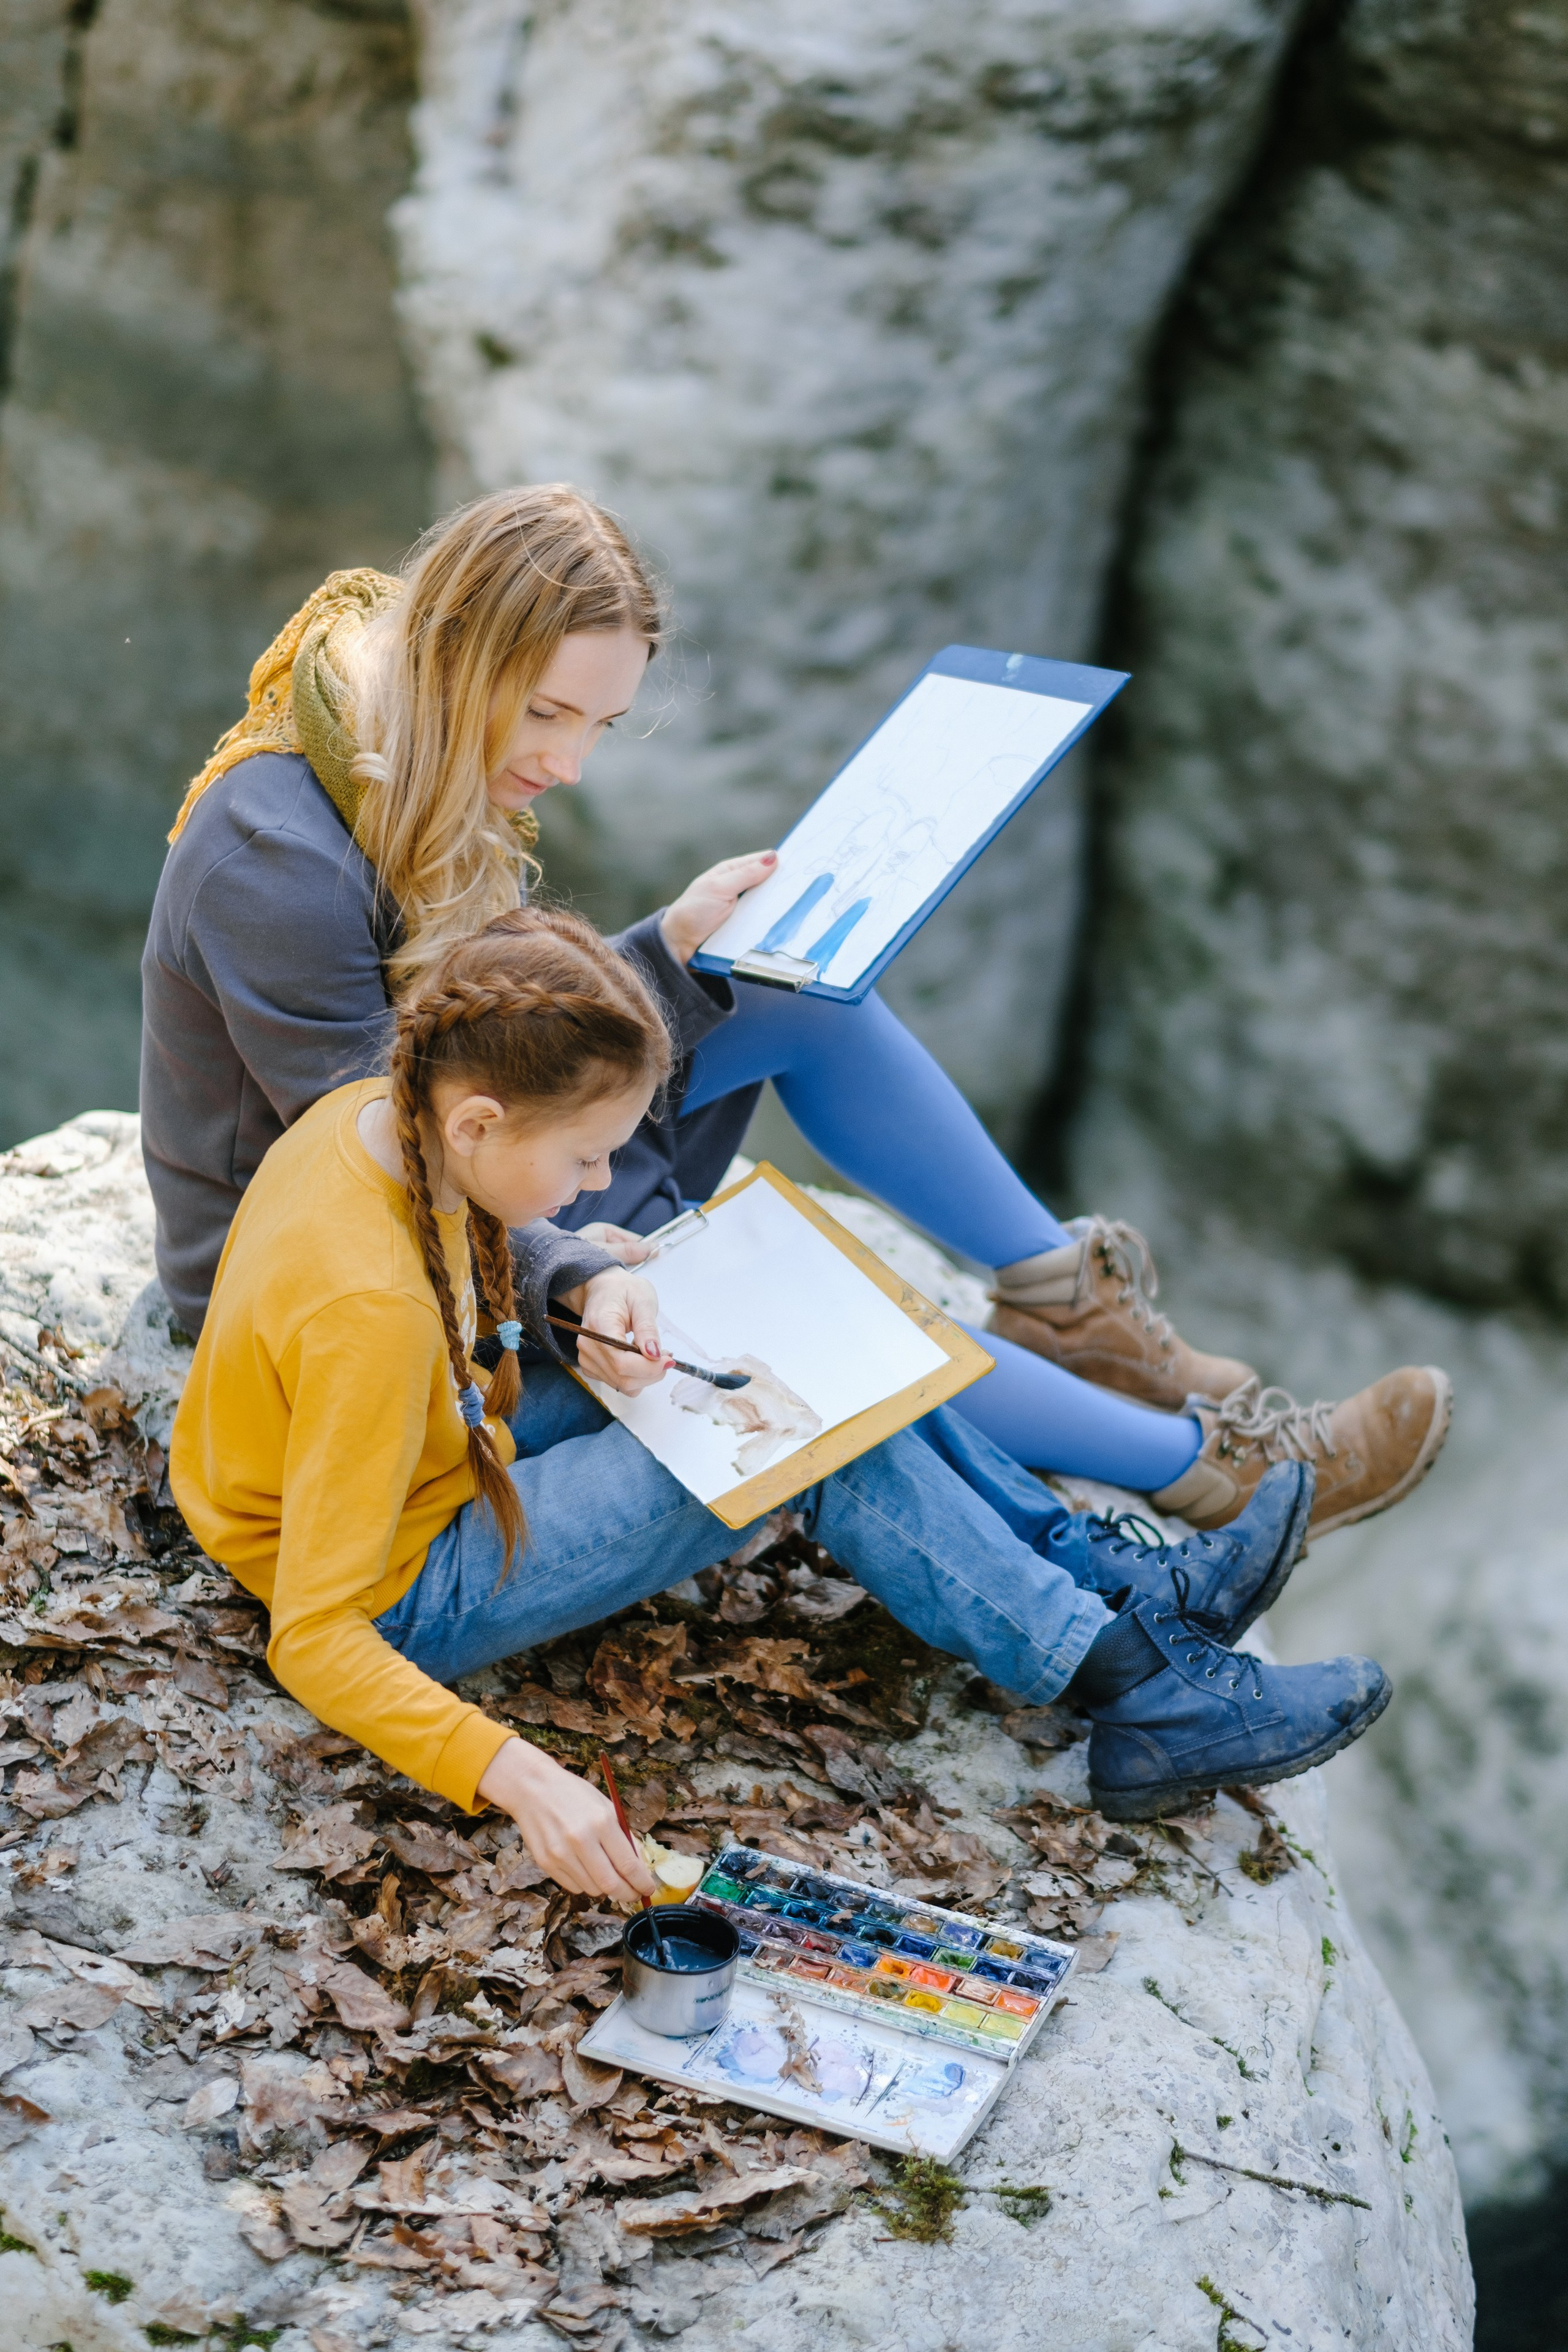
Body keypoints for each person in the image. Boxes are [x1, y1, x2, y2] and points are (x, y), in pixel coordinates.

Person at [142, 485, 1450, 1533]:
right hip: (333, 1277)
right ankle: (1212, 1472)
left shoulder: (392, 760)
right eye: (544, 713)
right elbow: (402, 1157)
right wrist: (585, 1274)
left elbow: (482, 1058)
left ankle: (1063, 1298)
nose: (564, 765)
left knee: (776, 986)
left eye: (601, 724)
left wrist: (670, 950)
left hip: (485, 1167)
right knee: (798, 1284)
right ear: (445, 656)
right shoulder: (279, 856)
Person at [168, 906, 1392, 1874]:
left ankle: (1123, 1586)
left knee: (782, 1339)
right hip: (403, 1579)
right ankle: (1128, 1685)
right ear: (481, 1118)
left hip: (442, 1434)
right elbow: (319, 1634)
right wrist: (514, 1773)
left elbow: (445, 1289)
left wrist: (581, 1284)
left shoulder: (376, 1117)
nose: (597, 1188)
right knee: (800, 1432)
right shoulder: (366, 1312)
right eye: (584, 1156)